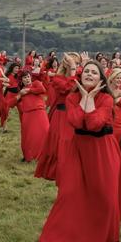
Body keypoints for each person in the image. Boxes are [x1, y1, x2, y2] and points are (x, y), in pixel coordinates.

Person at [32, 60, 121, 242]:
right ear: (81, 76)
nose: (89, 74)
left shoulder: (107, 99)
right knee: (69, 194)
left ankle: (110, 240)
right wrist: (84, 98)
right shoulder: (72, 98)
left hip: (103, 151)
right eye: (86, 72)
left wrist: (90, 98)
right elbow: (75, 121)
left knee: (105, 196)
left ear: (101, 78)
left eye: (94, 72)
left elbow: (94, 124)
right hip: (79, 150)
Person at [35, 53, 77, 182]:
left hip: (76, 115)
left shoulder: (79, 76)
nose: (74, 65)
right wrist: (74, 70)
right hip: (62, 116)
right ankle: (60, 173)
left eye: (75, 62)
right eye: (72, 62)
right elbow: (67, 88)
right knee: (61, 145)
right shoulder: (58, 79)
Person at [9, 70, 49, 163]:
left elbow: (42, 89)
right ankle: (28, 156)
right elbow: (10, 104)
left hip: (40, 113)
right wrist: (20, 95)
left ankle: (45, 155)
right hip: (27, 115)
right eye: (24, 77)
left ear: (30, 77)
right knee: (28, 137)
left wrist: (29, 90)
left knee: (45, 133)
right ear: (21, 80)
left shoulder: (36, 83)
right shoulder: (21, 91)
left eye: (28, 77)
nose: (27, 79)